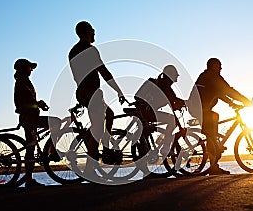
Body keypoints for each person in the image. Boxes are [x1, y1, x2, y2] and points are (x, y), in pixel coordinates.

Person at [68, 21, 126, 165]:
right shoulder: (89, 49)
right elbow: (104, 71)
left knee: (109, 115)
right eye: (92, 30)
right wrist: (119, 90)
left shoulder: (73, 51)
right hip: (92, 92)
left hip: (82, 92)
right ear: (87, 32)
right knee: (98, 128)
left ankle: (105, 148)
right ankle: (91, 166)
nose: (94, 32)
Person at [194, 58, 253, 175]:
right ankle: (214, 166)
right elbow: (227, 90)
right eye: (219, 66)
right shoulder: (213, 76)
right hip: (201, 110)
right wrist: (245, 100)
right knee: (212, 128)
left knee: (214, 121)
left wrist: (232, 103)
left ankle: (214, 152)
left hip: (198, 108)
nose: (221, 68)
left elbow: (219, 93)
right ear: (213, 66)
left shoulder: (206, 76)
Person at [13, 58, 62, 188]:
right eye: (30, 67)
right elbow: (24, 102)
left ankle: (29, 180)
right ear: (24, 68)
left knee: (31, 147)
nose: (32, 70)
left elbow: (26, 102)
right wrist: (37, 104)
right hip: (29, 118)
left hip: (28, 118)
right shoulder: (22, 82)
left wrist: (37, 105)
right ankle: (52, 151)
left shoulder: (22, 81)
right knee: (56, 122)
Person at [134, 64, 185, 156]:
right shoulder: (164, 85)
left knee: (169, 120)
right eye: (175, 76)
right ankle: (165, 147)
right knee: (171, 120)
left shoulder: (160, 83)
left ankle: (160, 140)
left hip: (145, 112)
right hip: (148, 113)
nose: (176, 78)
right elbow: (172, 100)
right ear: (171, 75)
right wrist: (186, 103)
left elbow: (172, 100)